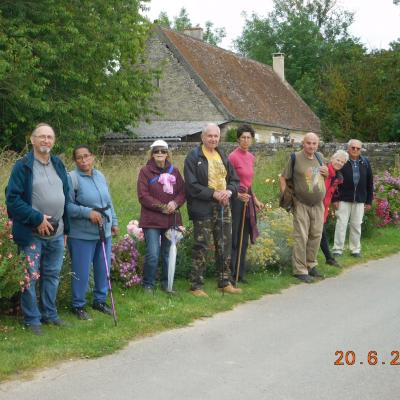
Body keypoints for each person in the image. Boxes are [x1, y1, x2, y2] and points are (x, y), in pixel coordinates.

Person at [6, 123, 69, 335]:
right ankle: (32, 319)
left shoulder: (58, 164)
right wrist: (36, 218)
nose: (46, 140)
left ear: (54, 141)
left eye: (49, 137)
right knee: (30, 277)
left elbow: (66, 196)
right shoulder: (22, 166)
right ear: (32, 140)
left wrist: (65, 228)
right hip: (32, 232)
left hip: (57, 232)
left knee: (52, 275)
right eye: (41, 137)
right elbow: (12, 200)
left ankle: (50, 314)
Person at [184, 123, 241, 297]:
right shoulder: (193, 157)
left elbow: (234, 180)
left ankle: (225, 282)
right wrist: (213, 194)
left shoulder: (222, 154)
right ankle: (196, 286)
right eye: (210, 136)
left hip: (223, 206)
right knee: (201, 246)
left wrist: (228, 191)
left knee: (224, 244)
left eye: (216, 136)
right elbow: (191, 186)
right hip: (203, 207)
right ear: (202, 137)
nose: (213, 139)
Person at [67, 145, 119, 320]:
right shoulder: (72, 178)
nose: (84, 160)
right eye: (79, 157)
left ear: (93, 157)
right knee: (81, 271)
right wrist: (87, 213)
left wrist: (114, 221)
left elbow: (108, 201)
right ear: (75, 161)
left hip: (104, 231)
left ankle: (100, 301)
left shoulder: (100, 175)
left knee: (103, 267)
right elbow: (67, 206)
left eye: (87, 156)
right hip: (81, 233)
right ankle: (78, 305)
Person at [279, 132, 328, 283]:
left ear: (317, 144)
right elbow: (283, 177)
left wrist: (326, 173)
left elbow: (323, 176)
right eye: (308, 143)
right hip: (301, 203)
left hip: (318, 204)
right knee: (301, 236)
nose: (311, 146)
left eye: (314, 143)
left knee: (316, 235)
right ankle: (299, 270)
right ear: (303, 143)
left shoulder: (320, 157)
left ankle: (311, 265)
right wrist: (285, 194)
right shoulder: (295, 158)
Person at [137, 140, 185, 293]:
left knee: (167, 253)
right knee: (153, 253)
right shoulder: (145, 171)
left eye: (163, 151)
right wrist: (162, 207)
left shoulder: (175, 171)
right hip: (151, 220)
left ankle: (167, 283)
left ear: (167, 154)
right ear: (152, 154)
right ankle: (148, 284)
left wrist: (175, 203)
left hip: (172, 219)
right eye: (156, 151)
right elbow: (143, 196)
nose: (160, 154)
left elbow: (182, 192)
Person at [228, 124, 263, 284]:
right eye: (243, 137)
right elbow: (228, 181)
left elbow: (249, 183)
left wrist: (254, 199)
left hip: (247, 199)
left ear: (252, 139)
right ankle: (231, 274)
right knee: (235, 236)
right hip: (235, 199)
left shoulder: (250, 157)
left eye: (249, 137)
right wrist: (237, 194)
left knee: (245, 236)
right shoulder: (232, 157)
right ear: (238, 139)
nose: (246, 140)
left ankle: (241, 274)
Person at [332, 139, 373, 257]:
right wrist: (335, 199)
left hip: (360, 199)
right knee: (341, 224)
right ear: (348, 148)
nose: (355, 150)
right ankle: (337, 250)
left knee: (356, 225)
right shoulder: (342, 161)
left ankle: (355, 249)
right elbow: (334, 181)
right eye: (353, 148)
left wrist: (369, 201)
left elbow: (369, 182)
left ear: (361, 150)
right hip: (343, 199)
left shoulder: (365, 162)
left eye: (358, 148)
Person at [320, 150, 349, 267]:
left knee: (320, 233)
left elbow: (332, 192)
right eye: (338, 160)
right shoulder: (323, 168)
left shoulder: (338, 176)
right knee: (320, 233)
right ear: (332, 158)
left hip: (324, 208)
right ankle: (329, 258)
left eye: (342, 162)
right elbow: (308, 172)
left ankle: (327, 259)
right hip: (314, 205)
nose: (339, 163)